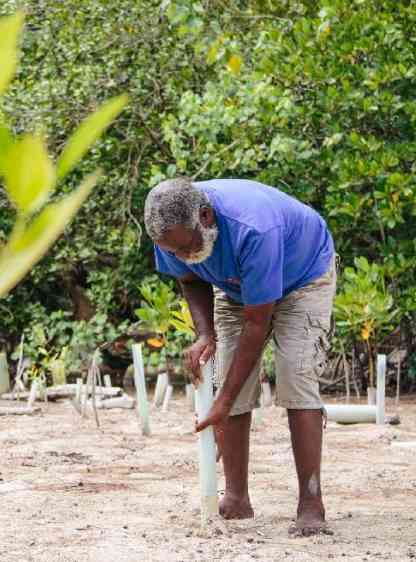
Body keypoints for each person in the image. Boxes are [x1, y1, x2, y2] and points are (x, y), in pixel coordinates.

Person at [144, 177, 336, 536]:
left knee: (296, 375)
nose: (182, 257)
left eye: (186, 247)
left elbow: (257, 323)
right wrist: (205, 332)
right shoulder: (168, 232)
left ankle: (311, 504)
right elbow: (189, 279)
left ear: (205, 217)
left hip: (303, 277)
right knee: (225, 376)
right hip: (236, 288)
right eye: (173, 252)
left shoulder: (254, 228)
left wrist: (223, 402)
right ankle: (236, 498)